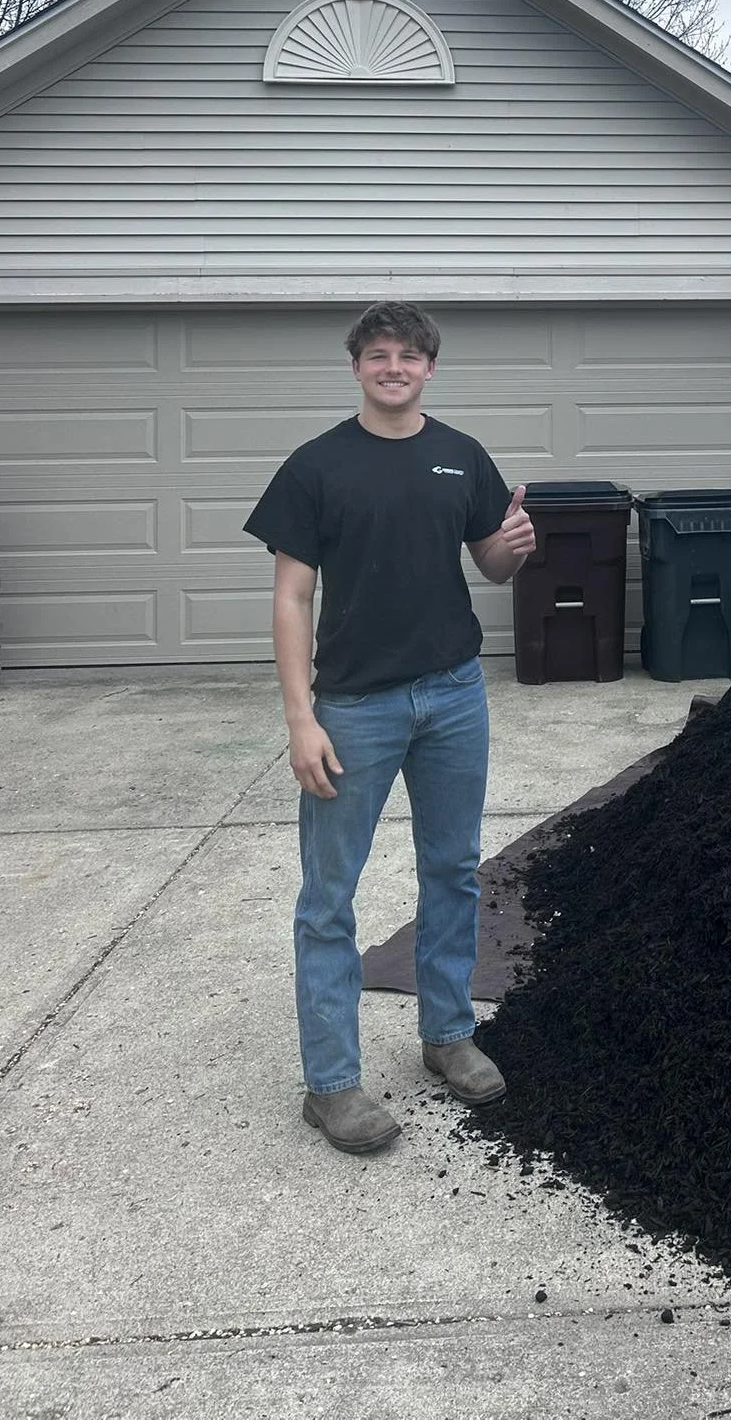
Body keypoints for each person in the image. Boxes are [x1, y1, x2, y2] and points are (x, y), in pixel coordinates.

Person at [244, 301, 536, 1154]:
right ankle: (331, 1085)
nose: (395, 367)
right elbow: (292, 596)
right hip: (356, 708)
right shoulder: (316, 467)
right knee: (329, 900)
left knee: (452, 870)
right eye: (379, 355)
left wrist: (513, 546)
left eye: (410, 355)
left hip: (453, 696)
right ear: (358, 366)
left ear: (430, 368)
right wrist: (301, 718)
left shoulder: (461, 456)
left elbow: (487, 560)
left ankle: (446, 1035)